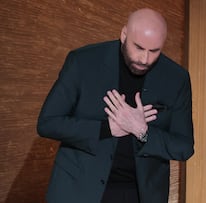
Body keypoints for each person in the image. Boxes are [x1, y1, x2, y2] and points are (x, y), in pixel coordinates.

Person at [37, 8, 194, 203]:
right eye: (138, 47)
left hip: (140, 194)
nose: (144, 59)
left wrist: (141, 130)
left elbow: (184, 147)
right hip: (78, 190)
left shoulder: (176, 79)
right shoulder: (83, 62)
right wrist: (107, 128)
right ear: (124, 35)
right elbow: (47, 123)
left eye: (154, 51)